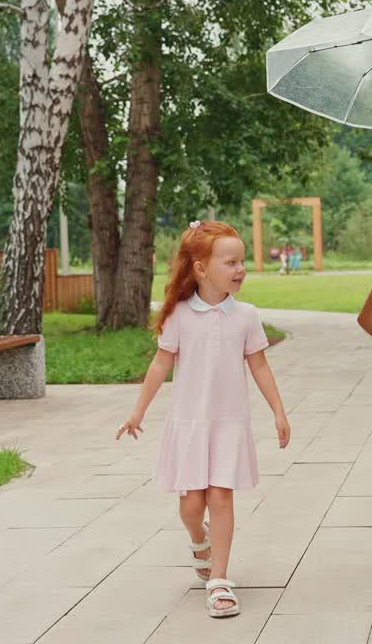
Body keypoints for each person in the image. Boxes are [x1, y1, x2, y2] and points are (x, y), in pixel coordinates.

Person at [116, 220, 291, 619]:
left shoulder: (246, 316)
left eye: (242, 261)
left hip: (229, 423)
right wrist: (137, 411)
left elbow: (260, 367)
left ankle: (219, 579)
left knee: (221, 496)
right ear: (200, 268)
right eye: (231, 262)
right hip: (190, 426)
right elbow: (161, 364)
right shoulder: (179, 315)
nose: (240, 269)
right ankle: (200, 541)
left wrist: (279, 412)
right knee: (192, 505)